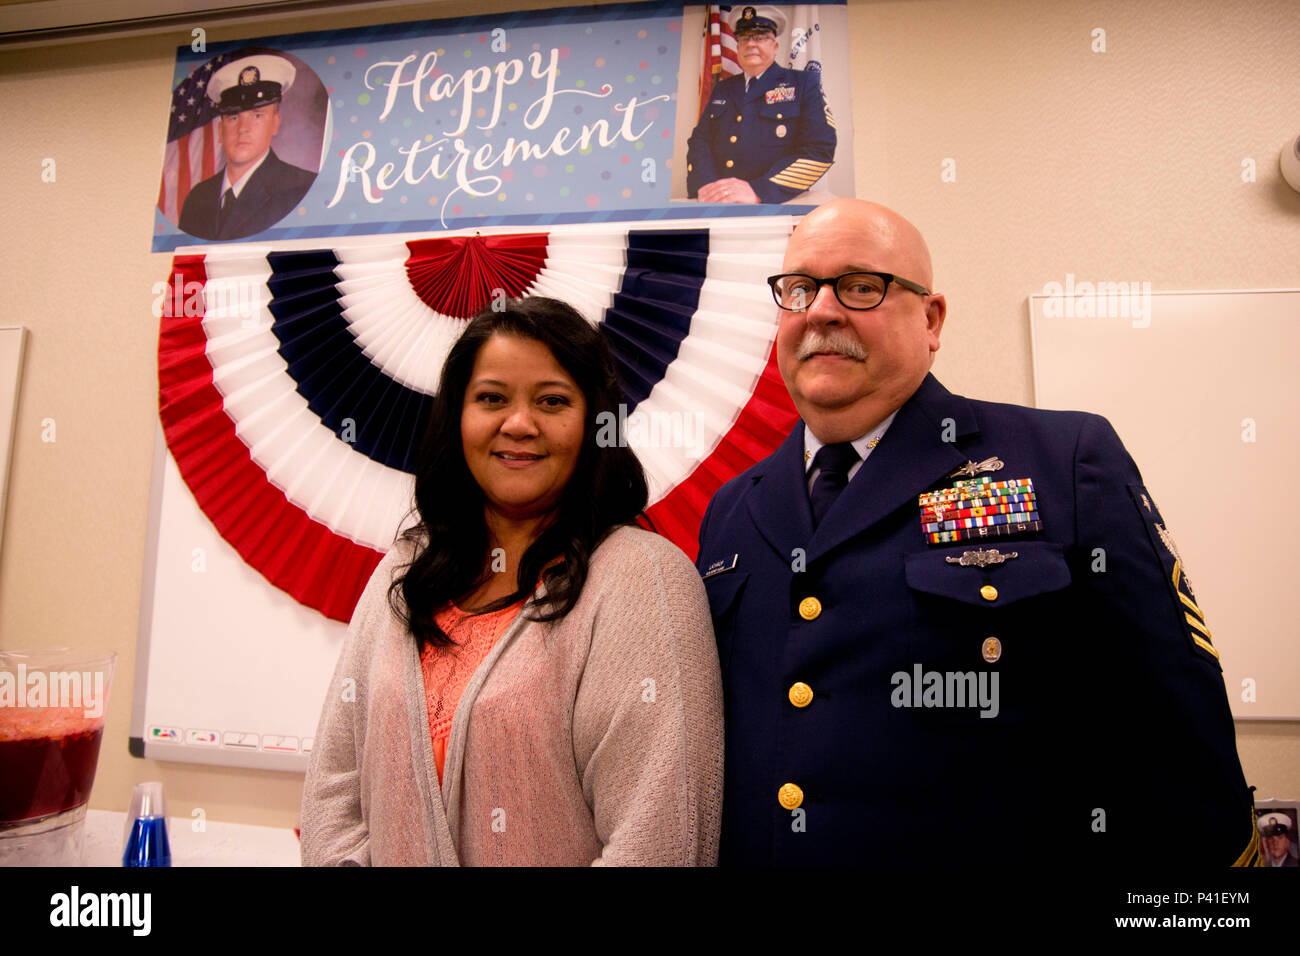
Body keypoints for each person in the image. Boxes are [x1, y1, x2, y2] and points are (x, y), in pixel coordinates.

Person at [695, 198, 1260, 866]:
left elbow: (1176, 724)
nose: (821, 311)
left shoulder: (1062, 458)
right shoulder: (734, 507)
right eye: (798, 289)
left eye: (860, 286)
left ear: (931, 319)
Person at [301, 296, 723, 866]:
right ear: (458, 418)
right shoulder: (404, 571)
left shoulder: (643, 582)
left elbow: (656, 838)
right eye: (491, 399)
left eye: (552, 401)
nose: (518, 424)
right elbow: (334, 788)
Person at [685, 6, 836, 204]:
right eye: (744, 38)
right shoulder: (723, 88)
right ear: (737, 47)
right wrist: (706, 184)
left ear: (775, 47)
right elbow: (700, 141)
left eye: (760, 37)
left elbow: (820, 148)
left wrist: (760, 190)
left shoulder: (803, 83)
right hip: (720, 205)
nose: (751, 44)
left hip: (778, 204)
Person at [178, 54, 317, 241]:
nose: (243, 129)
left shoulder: (302, 188)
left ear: (275, 123)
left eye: (257, 115)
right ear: (220, 130)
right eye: (233, 117)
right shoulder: (197, 199)